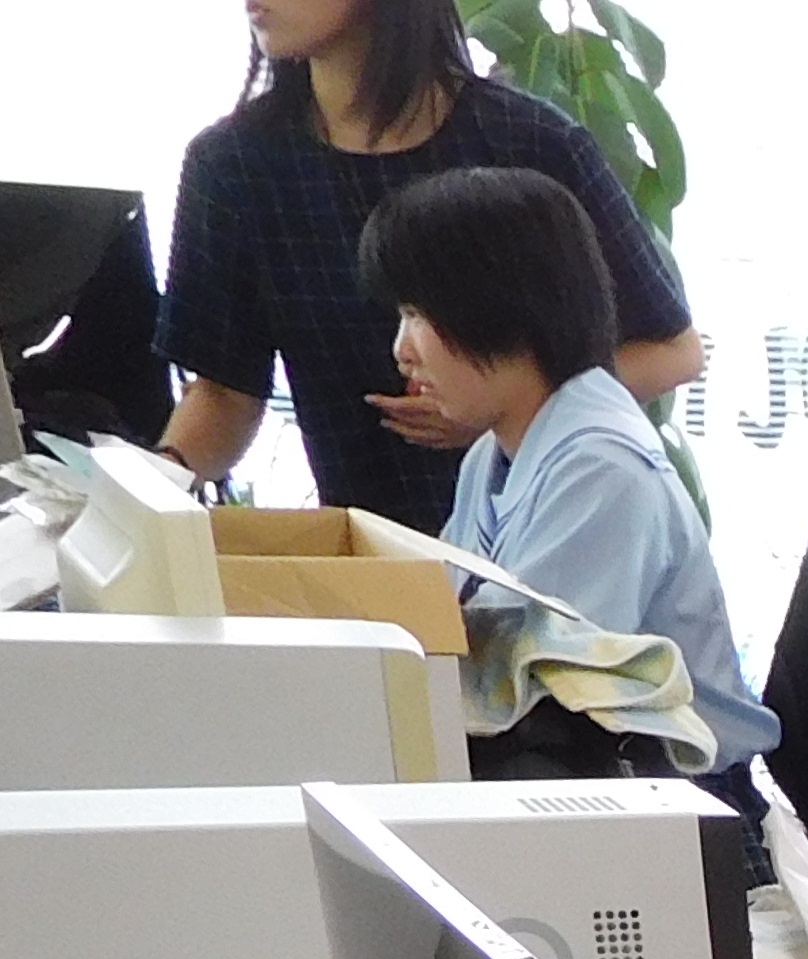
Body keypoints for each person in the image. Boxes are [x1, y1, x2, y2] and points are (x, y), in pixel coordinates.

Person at [158, 0, 701, 537]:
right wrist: (155, 483)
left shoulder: (534, 143)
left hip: (547, 539)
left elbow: (671, 350)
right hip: (373, 556)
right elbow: (225, 395)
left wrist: (505, 404)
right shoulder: (232, 166)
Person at [357, 171, 772, 817]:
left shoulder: (603, 469)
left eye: (417, 315)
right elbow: (448, 610)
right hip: (588, 778)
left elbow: (516, 676)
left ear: (500, 306)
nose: (402, 351)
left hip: (680, 805)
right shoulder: (497, 452)